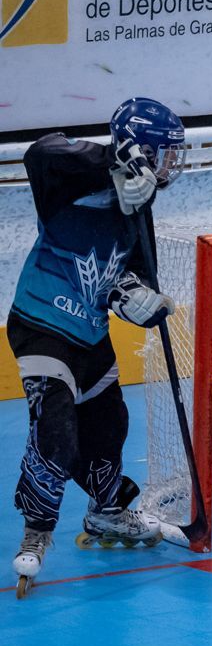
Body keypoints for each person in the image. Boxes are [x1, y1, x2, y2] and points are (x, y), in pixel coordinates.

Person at [9, 98, 189, 596]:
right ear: (137, 150)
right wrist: (111, 162)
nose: (171, 165)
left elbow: (127, 272)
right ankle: (37, 530)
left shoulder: (141, 201)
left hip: (89, 333)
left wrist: (135, 295)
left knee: (110, 424)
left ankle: (107, 512)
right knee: (57, 427)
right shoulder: (69, 180)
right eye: (163, 154)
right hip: (42, 322)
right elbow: (41, 152)